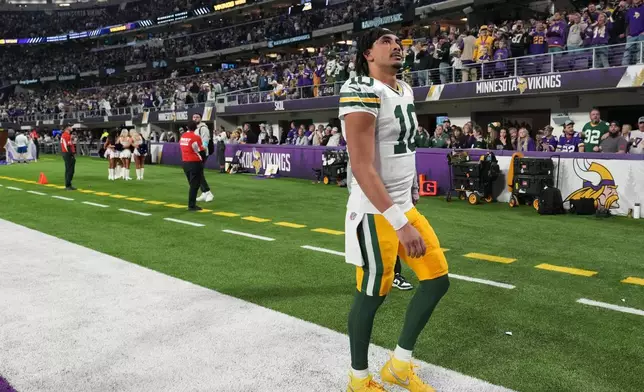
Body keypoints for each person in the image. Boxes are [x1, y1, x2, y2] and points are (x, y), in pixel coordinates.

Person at [340, 28, 449, 392]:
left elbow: (402, 147)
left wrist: (412, 186)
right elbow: (361, 165)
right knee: (372, 295)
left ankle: (399, 366)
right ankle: (358, 379)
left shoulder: (405, 88)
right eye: (385, 42)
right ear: (367, 53)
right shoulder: (360, 88)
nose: (396, 46)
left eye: (398, 42)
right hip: (375, 211)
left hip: (402, 204)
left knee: (436, 280)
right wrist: (400, 223)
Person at [346, 162, 414, 292]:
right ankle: (369, 278)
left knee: (394, 238)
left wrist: (413, 189)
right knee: (375, 243)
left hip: (397, 200)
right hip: (371, 204)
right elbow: (356, 171)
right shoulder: (362, 150)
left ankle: (395, 274)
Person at [180, 121, 207, 211]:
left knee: (192, 184)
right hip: (194, 162)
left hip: (185, 162)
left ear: (187, 127)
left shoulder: (183, 136)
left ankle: (191, 204)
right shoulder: (196, 137)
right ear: (195, 128)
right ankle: (191, 205)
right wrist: (203, 158)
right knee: (194, 185)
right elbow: (200, 150)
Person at [193, 113, 214, 202]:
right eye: (194, 117)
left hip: (202, 152)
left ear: (200, 118)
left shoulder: (203, 128)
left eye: (197, 117)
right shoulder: (195, 129)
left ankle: (208, 192)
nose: (195, 119)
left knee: (198, 173)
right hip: (196, 152)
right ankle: (205, 192)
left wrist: (201, 151)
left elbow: (205, 141)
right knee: (198, 173)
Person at [60, 126, 76, 190]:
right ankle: (68, 185)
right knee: (70, 170)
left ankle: (68, 184)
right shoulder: (66, 135)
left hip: (66, 153)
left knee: (69, 169)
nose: (71, 127)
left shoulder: (65, 135)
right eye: (70, 127)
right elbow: (67, 146)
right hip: (68, 154)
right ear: (67, 128)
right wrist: (71, 154)